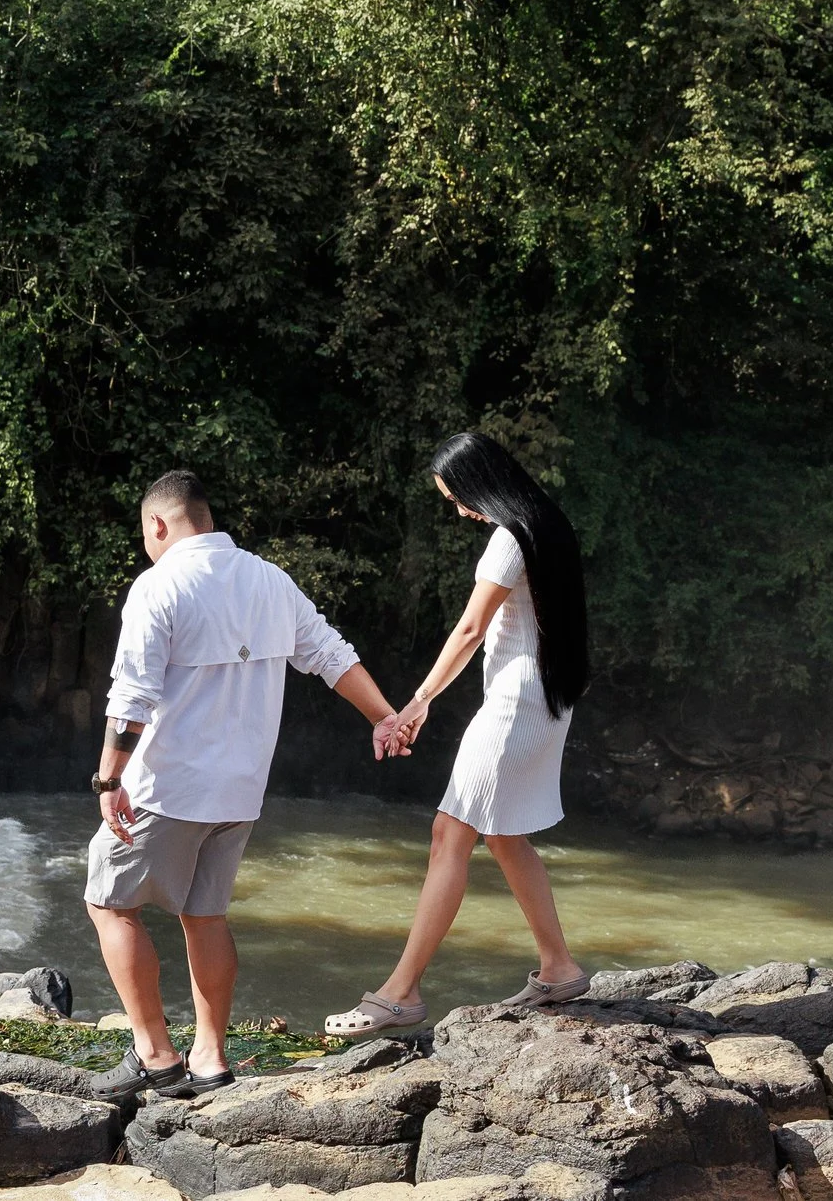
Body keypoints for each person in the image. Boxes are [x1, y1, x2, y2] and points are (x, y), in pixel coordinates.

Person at [86, 469, 401, 1101]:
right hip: (241, 789)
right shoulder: (270, 580)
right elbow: (331, 655)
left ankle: (155, 1056)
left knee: (110, 901)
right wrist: (385, 717)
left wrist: (109, 776)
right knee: (205, 916)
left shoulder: (159, 586)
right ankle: (210, 1058)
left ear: (157, 523)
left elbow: (133, 698)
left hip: (168, 787)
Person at [325, 431, 594, 1038]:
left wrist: (418, 701)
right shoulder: (548, 523)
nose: (460, 510)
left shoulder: (510, 538)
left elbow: (472, 628)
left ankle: (402, 992)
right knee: (503, 836)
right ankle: (559, 968)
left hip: (517, 702)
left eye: (458, 497)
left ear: (481, 483)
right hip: (546, 700)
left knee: (450, 832)